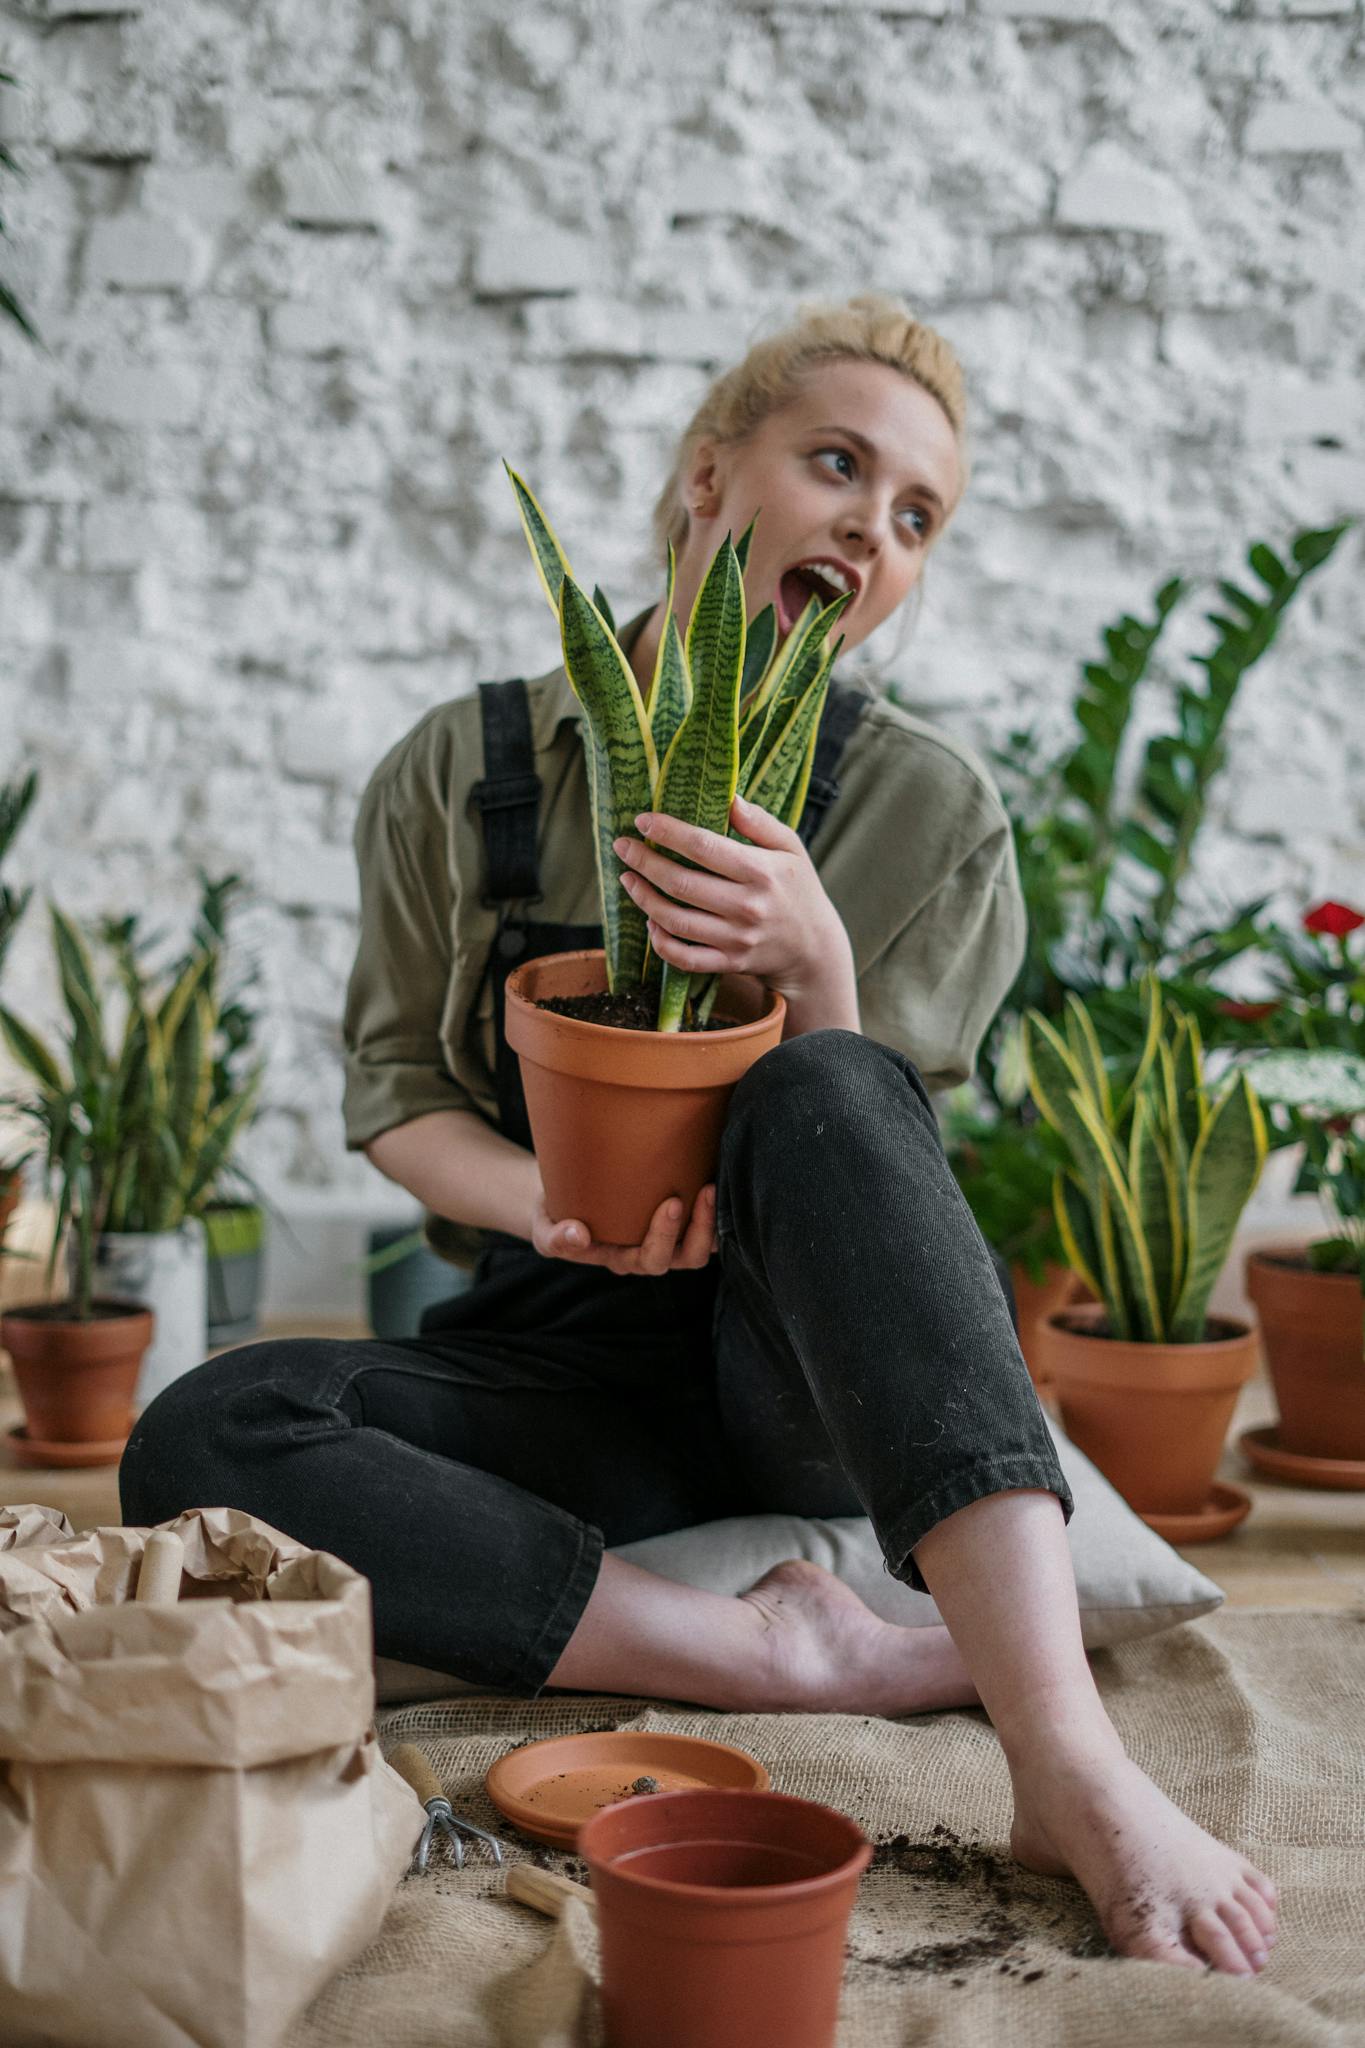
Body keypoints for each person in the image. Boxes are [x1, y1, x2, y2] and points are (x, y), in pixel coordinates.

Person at [121, 293, 1277, 1976]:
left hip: (810, 1377)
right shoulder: (467, 771)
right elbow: (397, 1099)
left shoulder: (925, 812)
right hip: (561, 1342)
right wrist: (551, 1210)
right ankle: (786, 1658)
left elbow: (885, 1190)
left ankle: (1067, 1763)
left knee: (822, 1083)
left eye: (915, 518)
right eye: (835, 463)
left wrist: (815, 970)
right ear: (703, 477)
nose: (871, 527)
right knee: (206, 1431)